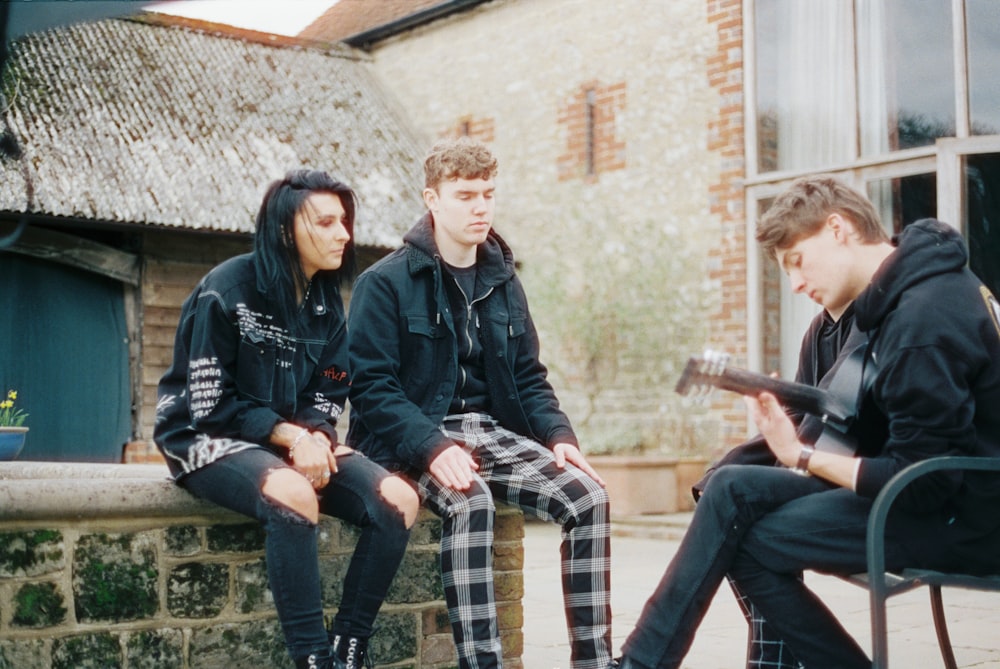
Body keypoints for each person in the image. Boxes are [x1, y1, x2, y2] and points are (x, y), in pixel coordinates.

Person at [614, 175, 1000, 669]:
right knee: (731, 488)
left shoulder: (921, 318)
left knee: (749, 542)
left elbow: (923, 483)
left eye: (796, 261)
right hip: (930, 491)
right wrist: (788, 442)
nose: (794, 284)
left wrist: (799, 455)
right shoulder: (895, 299)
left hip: (965, 517)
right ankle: (639, 662)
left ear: (838, 229)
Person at [346, 137, 613, 669]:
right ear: (432, 199)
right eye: (466, 195)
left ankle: (596, 660)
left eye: (488, 193)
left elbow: (529, 376)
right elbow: (372, 388)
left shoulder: (503, 280)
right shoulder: (385, 283)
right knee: (473, 502)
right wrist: (430, 445)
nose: (481, 206)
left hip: (491, 432)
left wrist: (561, 438)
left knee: (590, 499)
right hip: (409, 439)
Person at [154, 169, 420, 669]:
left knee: (398, 498)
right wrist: (292, 436)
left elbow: (331, 387)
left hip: (286, 442)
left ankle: (349, 648)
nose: (343, 233)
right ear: (285, 231)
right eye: (325, 222)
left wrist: (315, 434)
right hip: (202, 436)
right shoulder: (226, 289)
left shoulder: (324, 303)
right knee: (295, 494)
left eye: (344, 221)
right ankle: (312, 659)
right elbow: (209, 407)